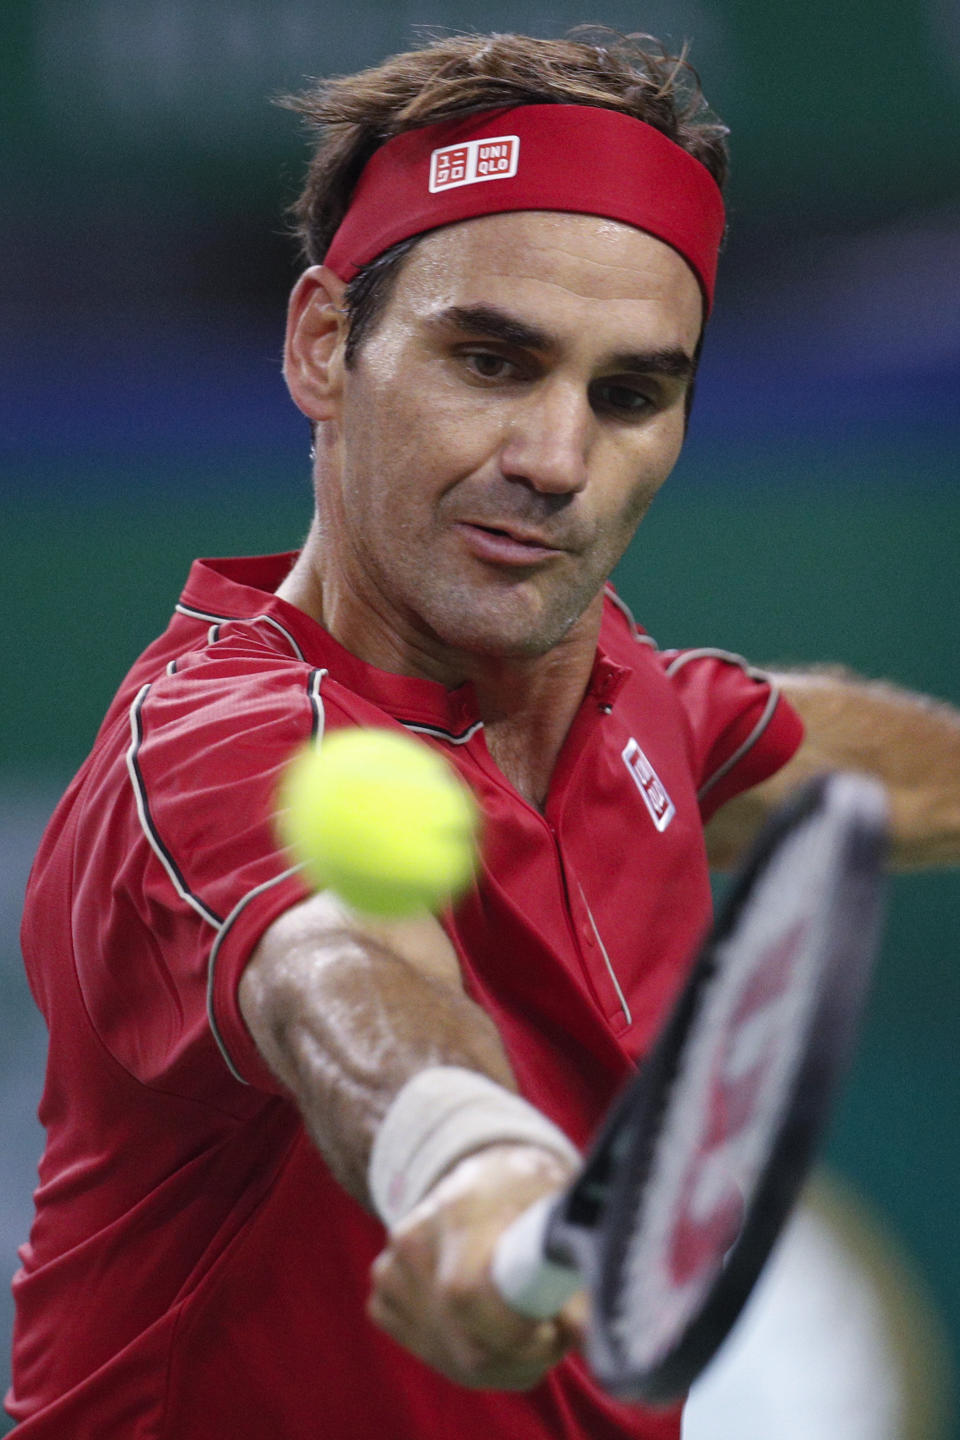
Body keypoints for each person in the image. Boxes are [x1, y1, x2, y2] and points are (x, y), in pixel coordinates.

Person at [9, 28, 959, 1440]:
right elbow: (336, 970)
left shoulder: (622, 702)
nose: (558, 460)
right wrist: (468, 1166)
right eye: (493, 360)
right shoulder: (218, 751)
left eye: (629, 394)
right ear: (326, 345)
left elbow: (836, 760)